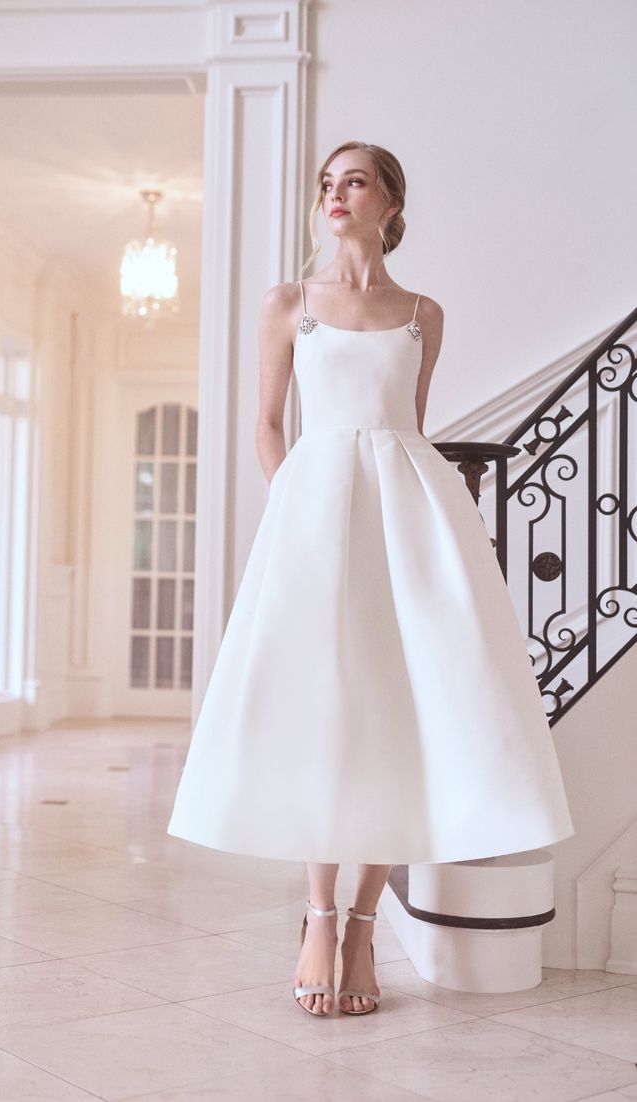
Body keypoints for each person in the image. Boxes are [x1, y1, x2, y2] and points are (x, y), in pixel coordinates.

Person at [166, 140, 575, 1019]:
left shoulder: (424, 312)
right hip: (314, 523)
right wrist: (295, 512)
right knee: (326, 711)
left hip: (410, 524)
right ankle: (318, 915)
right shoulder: (287, 305)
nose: (335, 195)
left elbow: (407, 430)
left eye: (353, 181)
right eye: (327, 183)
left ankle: (361, 923)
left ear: (391, 202)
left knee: (403, 710)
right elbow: (267, 427)